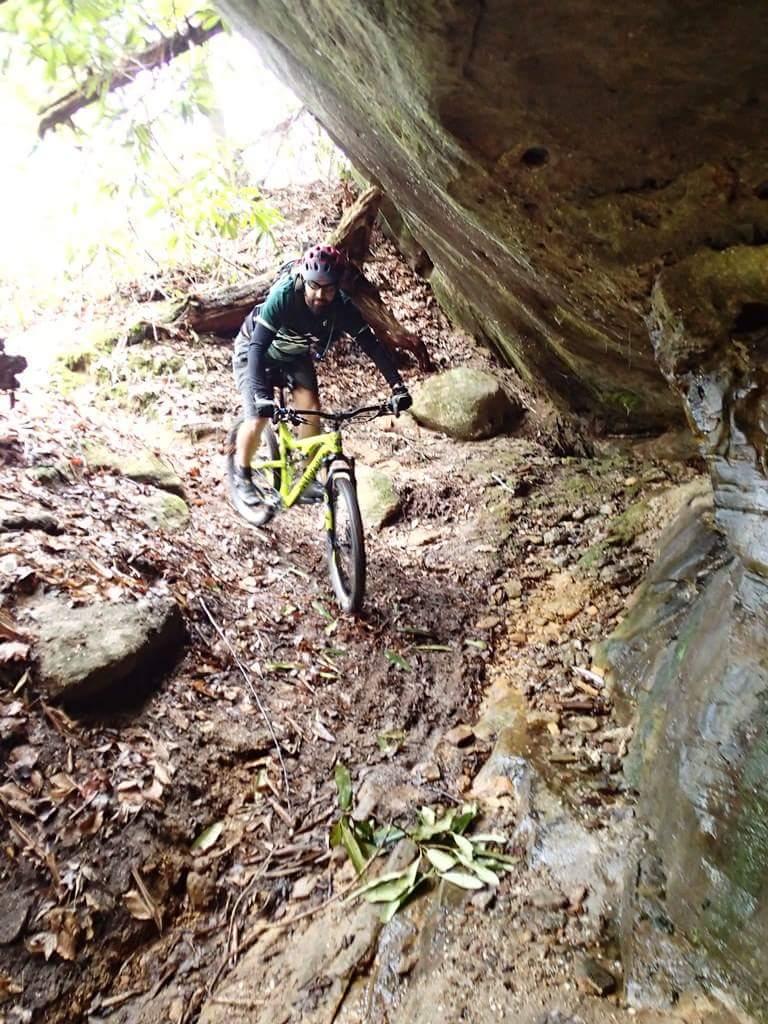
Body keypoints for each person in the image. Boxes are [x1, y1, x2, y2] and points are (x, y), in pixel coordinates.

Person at [231, 244, 412, 519]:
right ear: (304, 278)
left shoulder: (341, 306)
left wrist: (397, 386)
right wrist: (261, 396)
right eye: (314, 285)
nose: (319, 294)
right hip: (255, 350)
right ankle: (242, 476)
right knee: (257, 417)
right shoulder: (284, 296)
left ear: (337, 287)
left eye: (328, 288)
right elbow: (256, 347)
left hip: (293, 354)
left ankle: (305, 477)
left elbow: (372, 345)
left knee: (311, 409)